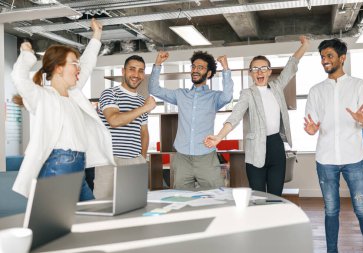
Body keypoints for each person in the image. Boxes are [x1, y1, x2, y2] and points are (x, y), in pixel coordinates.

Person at [11, 18, 115, 201]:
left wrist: (97, 36)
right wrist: (27, 54)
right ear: (59, 69)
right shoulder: (43, 96)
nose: (79, 68)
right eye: (74, 63)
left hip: (78, 167)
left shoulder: (73, 95)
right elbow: (19, 78)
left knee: (87, 219)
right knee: (59, 222)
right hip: (58, 167)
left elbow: (88, 64)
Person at [204, 36, 309, 196]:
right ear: (250, 74)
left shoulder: (277, 87)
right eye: (255, 69)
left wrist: (305, 46)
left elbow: (291, 65)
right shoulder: (247, 94)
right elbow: (235, 116)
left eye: (263, 68)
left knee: (275, 197)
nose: (259, 72)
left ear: (269, 71)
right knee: (259, 198)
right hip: (255, 150)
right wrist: (219, 137)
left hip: (276, 146)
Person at [304, 38, 363, 253]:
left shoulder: (359, 85)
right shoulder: (316, 90)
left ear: (342, 58)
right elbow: (311, 122)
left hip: (354, 159)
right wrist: (311, 130)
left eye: (329, 56)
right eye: (322, 57)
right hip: (325, 161)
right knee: (331, 211)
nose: (324, 61)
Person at [149, 51, 233, 190]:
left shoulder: (214, 97)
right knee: (182, 199)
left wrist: (225, 69)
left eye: (200, 67)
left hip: (206, 157)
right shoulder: (180, 94)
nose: (195, 70)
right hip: (182, 159)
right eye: (193, 66)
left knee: (217, 195)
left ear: (209, 73)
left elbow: (227, 96)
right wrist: (157, 64)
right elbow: (154, 89)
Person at [94, 55, 156, 199]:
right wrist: (145, 107)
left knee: (134, 204)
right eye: (132, 69)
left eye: (140, 71)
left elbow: (144, 132)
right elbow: (114, 120)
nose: (136, 74)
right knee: (105, 206)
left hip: (134, 161)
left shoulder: (142, 100)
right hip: (110, 160)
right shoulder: (110, 93)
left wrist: (141, 158)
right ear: (123, 71)